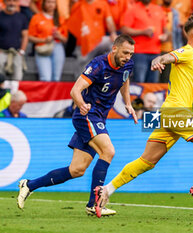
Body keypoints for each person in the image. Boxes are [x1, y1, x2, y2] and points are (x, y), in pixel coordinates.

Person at [94, 16, 193, 218]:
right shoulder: (186, 52)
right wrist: (157, 60)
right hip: (178, 112)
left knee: (147, 161)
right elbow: (166, 57)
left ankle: (107, 190)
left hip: (169, 115)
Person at [17, 35, 138, 217]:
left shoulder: (127, 65)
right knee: (108, 151)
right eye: (125, 52)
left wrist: (128, 103)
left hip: (99, 118)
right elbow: (75, 90)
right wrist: (81, 104)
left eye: (131, 53)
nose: (128, 57)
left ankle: (29, 185)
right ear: (114, 48)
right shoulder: (98, 65)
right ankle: (95, 203)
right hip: (87, 115)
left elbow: (124, 80)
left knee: (76, 170)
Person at [121, 0, 169, 83]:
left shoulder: (158, 9)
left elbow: (166, 29)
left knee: (153, 83)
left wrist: (165, 36)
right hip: (139, 52)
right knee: (139, 82)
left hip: (156, 52)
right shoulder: (133, 9)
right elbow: (124, 29)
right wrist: (143, 32)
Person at [28, 0, 68, 81]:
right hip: (42, 47)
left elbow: (65, 39)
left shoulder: (60, 18)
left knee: (56, 78)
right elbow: (30, 37)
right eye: (48, 2)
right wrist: (44, 40)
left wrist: (58, 35)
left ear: (56, 5)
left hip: (57, 46)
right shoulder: (37, 17)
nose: (50, 5)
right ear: (44, 4)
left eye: (53, 2)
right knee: (45, 78)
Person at [0, 0, 28, 81]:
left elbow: (25, 35)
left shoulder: (22, 17)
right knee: (0, 77)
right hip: (1, 51)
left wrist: (22, 51)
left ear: (18, 3)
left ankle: (14, 93)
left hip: (16, 52)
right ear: (4, 2)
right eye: (9, 1)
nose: (12, 3)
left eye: (14, 1)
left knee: (18, 77)